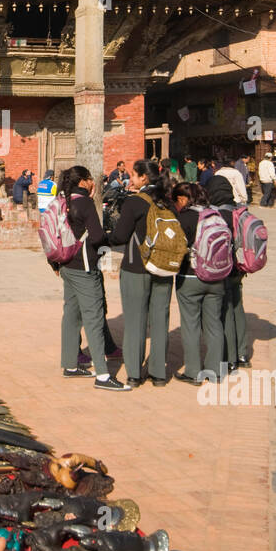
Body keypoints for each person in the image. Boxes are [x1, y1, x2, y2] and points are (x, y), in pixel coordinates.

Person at [52, 166, 131, 393]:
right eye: (91, 180)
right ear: (86, 182)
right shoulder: (85, 203)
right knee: (94, 318)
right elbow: (96, 236)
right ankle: (104, 375)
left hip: (66, 264)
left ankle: (70, 364)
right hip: (85, 267)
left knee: (71, 314)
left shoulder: (63, 200)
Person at [108, 159, 179, 386]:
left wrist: (103, 238)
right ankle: (158, 373)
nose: (131, 179)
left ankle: (134, 374)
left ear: (143, 178)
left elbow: (119, 236)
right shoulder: (168, 202)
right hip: (164, 267)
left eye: (134, 175)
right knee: (160, 320)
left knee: (135, 321)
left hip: (137, 267)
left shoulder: (135, 203)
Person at [171, 181, 226, 383]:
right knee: (214, 324)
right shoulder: (216, 215)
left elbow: (177, 247)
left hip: (191, 277)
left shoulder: (184, 218)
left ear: (184, 199)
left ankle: (193, 371)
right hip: (217, 276)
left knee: (191, 325)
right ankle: (215, 372)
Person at [207, 174, 250, 371]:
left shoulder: (216, 214)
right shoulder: (239, 211)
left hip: (223, 266)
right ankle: (242, 353)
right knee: (238, 307)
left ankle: (230, 357)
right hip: (239, 266)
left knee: (225, 309)